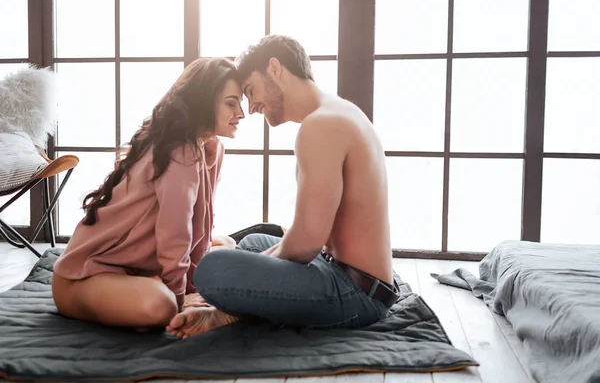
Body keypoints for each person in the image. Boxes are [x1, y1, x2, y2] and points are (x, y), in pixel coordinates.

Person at [167, 35, 398, 339]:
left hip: (355, 293)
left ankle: (230, 312)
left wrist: (243, 281)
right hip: (351, 276)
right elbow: (311, 238)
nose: (250, 108)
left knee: (214, 269)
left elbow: (305, 242)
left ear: (274, 68)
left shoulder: (321, 125)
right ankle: (237, 308)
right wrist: (256, 265)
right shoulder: (337, 111)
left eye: (250, 91)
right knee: (250, 245)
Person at [51, 57, 245, 331]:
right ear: (204, 100)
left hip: (135, 269)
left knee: (225, 245)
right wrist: (179, 299)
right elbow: (175, 234)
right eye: (231, 103)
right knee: (161, 305)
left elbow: (203, 220)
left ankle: (151, 287)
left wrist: (193, 283)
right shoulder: (181, 149)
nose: (241, 113)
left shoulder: (208, 146)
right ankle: (152, 293)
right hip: (85, 277)